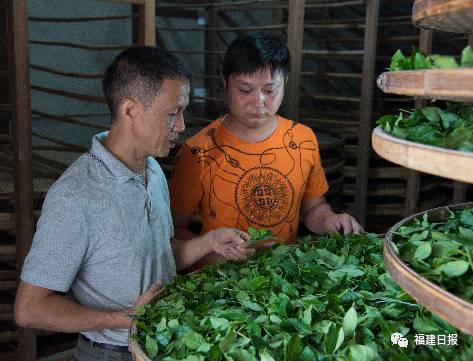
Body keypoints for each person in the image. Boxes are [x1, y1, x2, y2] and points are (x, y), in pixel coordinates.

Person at [14, 46, 254, 360]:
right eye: (172, 113)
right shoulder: (76, 196)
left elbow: (159, 258)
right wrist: (124, 318)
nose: (181, 126)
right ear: (130, 110)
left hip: (162, 343)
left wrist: (210, 242)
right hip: (112, 353)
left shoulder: (152, 169)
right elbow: (30, 308)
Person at [169, 32, 362, 267]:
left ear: (285, 84)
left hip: (284, 276)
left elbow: (314, 208)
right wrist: (212, 254)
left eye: (269, 91)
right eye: (245, 90)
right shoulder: (199, 151)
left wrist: (330, 220)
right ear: (225, 84)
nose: (258, 102)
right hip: (222, 278)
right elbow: (175, 230)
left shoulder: (303, 140)